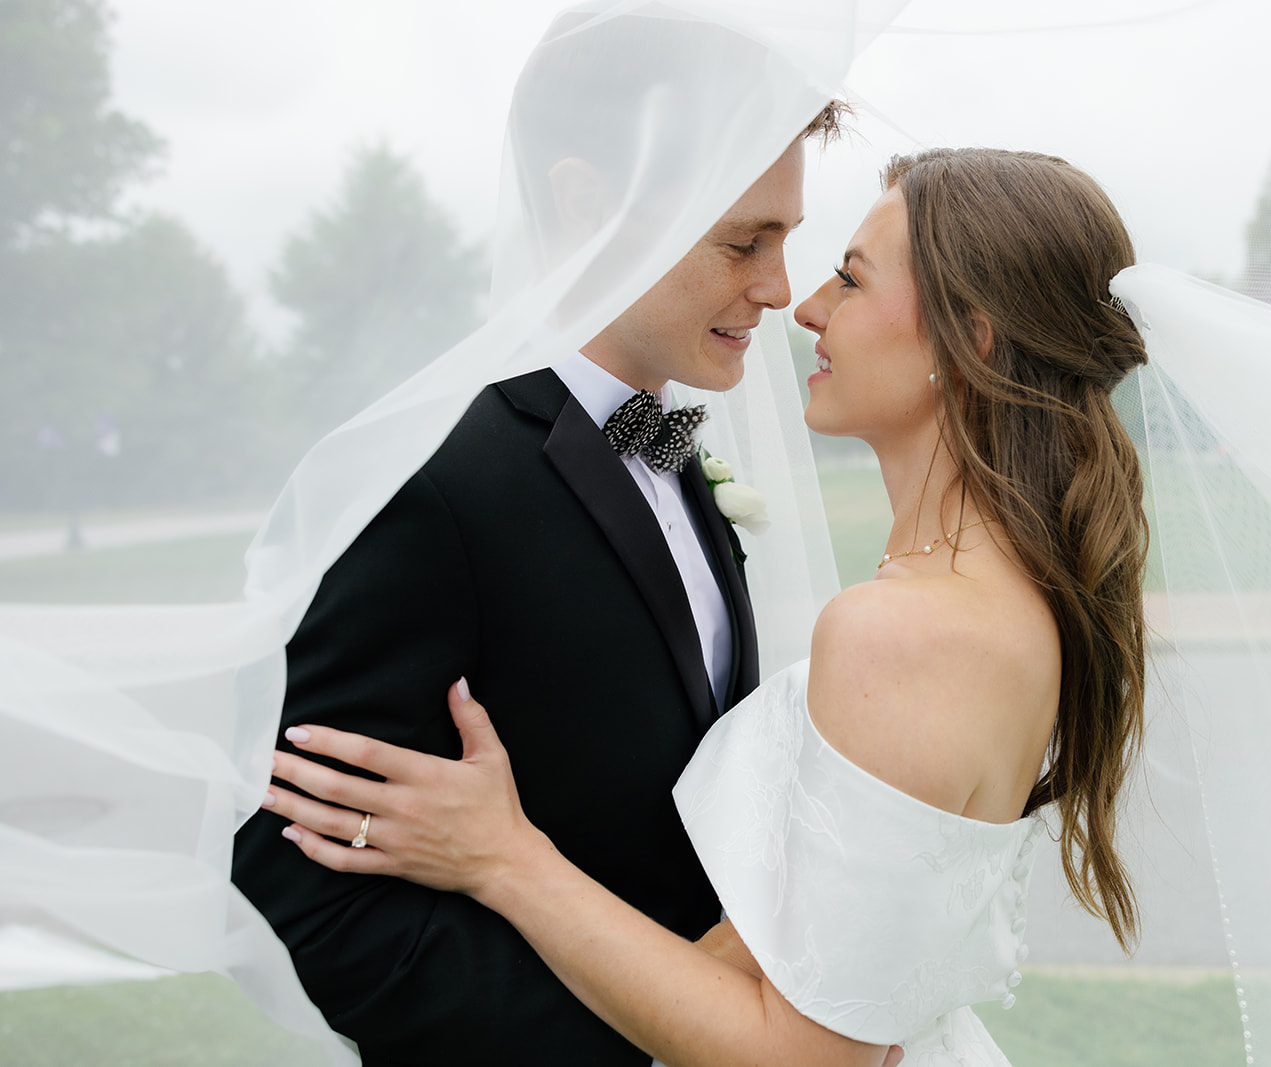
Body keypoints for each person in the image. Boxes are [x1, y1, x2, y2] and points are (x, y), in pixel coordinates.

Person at [261, 146, 1151, 1065]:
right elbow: (301, 848)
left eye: (845, 276)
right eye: (746, 242)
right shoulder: (1001, 595)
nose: (794, 300)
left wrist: (503, 856)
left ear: (973, 339)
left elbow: (803, 1048)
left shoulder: (908, 629)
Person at [230, 9, 853, 1063]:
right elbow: (304, 877)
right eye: (744, 240)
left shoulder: (662, 436)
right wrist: (643, 1041)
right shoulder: (427, 480)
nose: (778, 289)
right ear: (585, 205)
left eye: (786, 239)